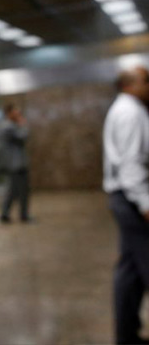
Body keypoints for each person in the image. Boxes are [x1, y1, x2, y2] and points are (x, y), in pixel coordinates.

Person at [103, 66, 149, 344]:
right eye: (146, 80)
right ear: (129, 85)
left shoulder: (128, 109)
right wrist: (145, 203)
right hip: (132, 198)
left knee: (130, 272)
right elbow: (131, 165)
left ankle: (126, 335)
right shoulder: (130, 113)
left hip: (126, 196)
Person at [0, 104, 31, 223]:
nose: (18, 113)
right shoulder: (8, 127)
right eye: (15, 111)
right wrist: (23, 125)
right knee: (22, 191)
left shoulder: (8, 126)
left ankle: (5, 213)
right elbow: (22, 137)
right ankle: (23, 215)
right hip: (16, 164)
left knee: (13, 190)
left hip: (15, 164)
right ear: (9, 113)